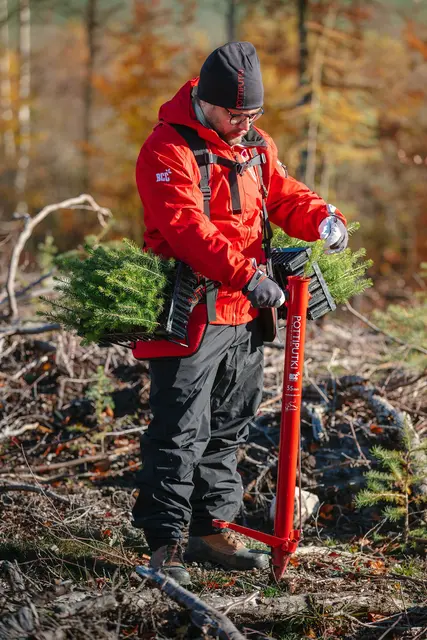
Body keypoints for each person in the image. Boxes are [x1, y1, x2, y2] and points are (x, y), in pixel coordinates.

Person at [133, 41, 348, 585]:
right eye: (235, 115)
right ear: (204, 101)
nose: (244, 123)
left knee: (228, 427)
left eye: (252, 114)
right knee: (178, 431)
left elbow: (282, 195)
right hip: (191, 312)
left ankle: (212, 531)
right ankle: (166, 545)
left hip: (247, 312)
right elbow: (186, 228)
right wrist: (248, 275)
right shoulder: (166, 150)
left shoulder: (254, 145)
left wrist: (323, 216)